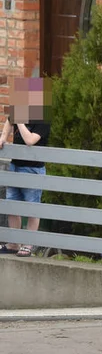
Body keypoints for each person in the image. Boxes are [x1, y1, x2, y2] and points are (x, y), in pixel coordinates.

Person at [1, 77, 52, 257]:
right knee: (12, 206)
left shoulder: (43, 120)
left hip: (33, 169)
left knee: (32, 208)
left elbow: (30, 140)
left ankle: (28, 245)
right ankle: (14, 243)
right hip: (15, 166)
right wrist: (3, 137)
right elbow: (9, 121)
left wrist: (20, 121)